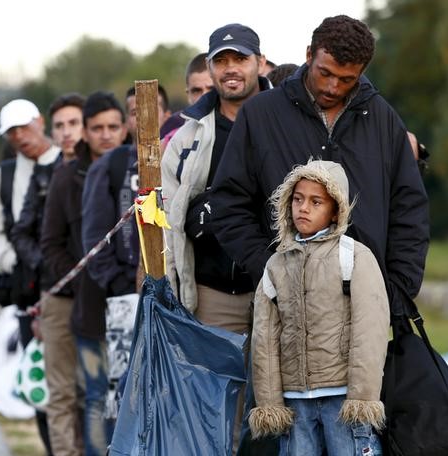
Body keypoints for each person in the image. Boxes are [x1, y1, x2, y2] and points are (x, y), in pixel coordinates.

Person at [209, 15, 429, 323]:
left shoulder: (383, 119)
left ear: (362, 71)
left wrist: (397, 291)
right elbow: (228, 204)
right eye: (325, 73)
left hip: (366, 308)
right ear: (309, 54)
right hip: (283, 307)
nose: (332, 86)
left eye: (346, 79)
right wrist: (271, 271)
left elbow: (410, 210)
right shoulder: (260, 115)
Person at [160, 23, 270, 454]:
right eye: (221, 61)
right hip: (210, 291)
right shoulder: (186, 137)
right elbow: (168, 215)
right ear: (210, 67)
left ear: (259, 63)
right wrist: (194, 215)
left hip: (273, 286)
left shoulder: (285, 121)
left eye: (239, 59)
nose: (230, 69)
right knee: (211, 407)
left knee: (270, 409)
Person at [248, 160, 387, 455]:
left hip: (342, 397)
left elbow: (369, 330)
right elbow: (265, 340)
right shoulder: (276, 265)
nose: (303, 208)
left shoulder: (354, 257)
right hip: (295, 400)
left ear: (336, 209)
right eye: (297, 199)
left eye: (315, 201)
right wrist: (271, 403)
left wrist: (361, 398)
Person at [43, 91, 128, 456]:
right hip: (91, 306)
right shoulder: (66, 180)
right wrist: (84, 278)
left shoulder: (140, 168)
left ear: (124, 129)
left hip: (134, 299)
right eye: (97, 128)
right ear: (86, 133)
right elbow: (51, 244)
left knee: (132, 396)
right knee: (96, 395)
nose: (106, 135)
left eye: (112, 126)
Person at [0, 97, 61, 455]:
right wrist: (16, 263)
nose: (19, 136)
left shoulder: (68, 161)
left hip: (74, 284)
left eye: (23, 127)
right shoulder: (5, 175)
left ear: (39, 122)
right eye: (11, 131)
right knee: (40, 376)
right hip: (29, 294)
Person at [10, 92, 86, 456]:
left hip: (99, 293)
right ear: (52, 130)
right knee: (60, 393)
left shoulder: (104, 168)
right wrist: (47, 266)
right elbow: (21, 232)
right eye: (61, 126)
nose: (68, 132)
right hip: (54, 291)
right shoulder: (46, 174)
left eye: (74, 123)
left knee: (95, 391)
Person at [160, 52, 215, 145]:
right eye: (197, 91)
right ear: (188, 95)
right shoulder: (173, 129)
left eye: (211, 89)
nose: (204, 96)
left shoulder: (241, 123)